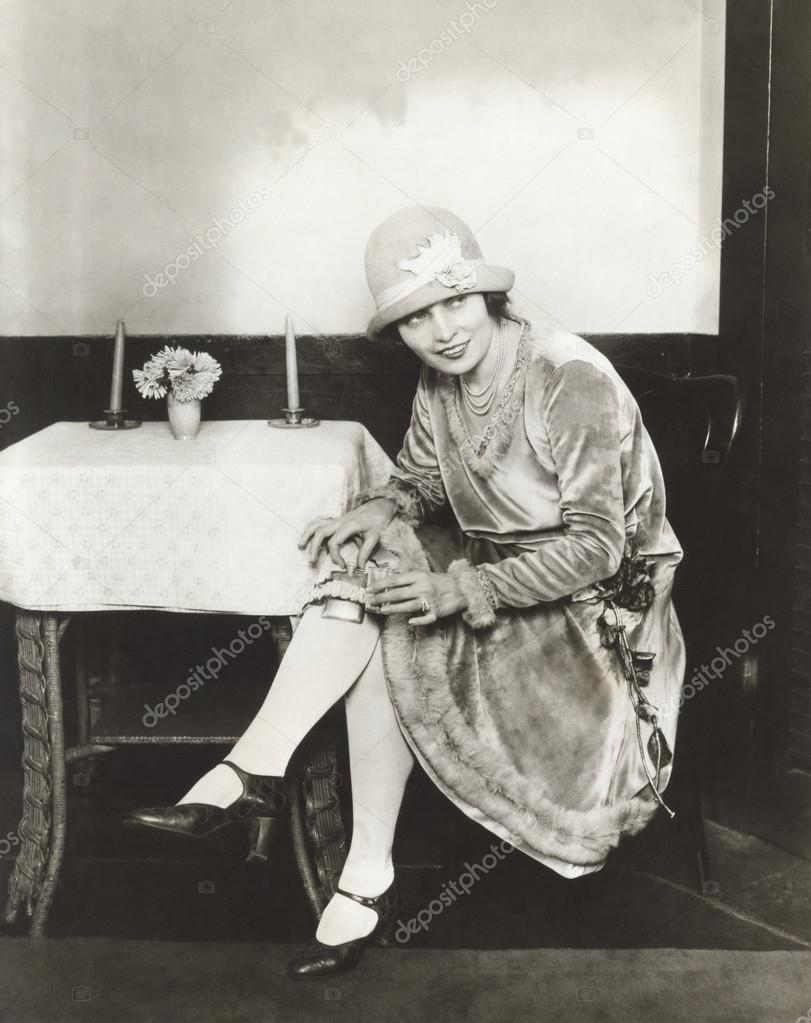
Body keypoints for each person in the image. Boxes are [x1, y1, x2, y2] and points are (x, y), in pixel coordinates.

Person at [126, 205, 685, 979]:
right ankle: (276, 798)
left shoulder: (566, 377)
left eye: (453, 302)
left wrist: (463, 590)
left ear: (487, 295)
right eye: (417, 318)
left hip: (596, 612)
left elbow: (596, 549)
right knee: (368, 583)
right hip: (498, 562)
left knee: (394, 617)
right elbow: (422, 477)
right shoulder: (442, 380)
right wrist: (378, 505)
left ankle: (311, 833)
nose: (442, 330)